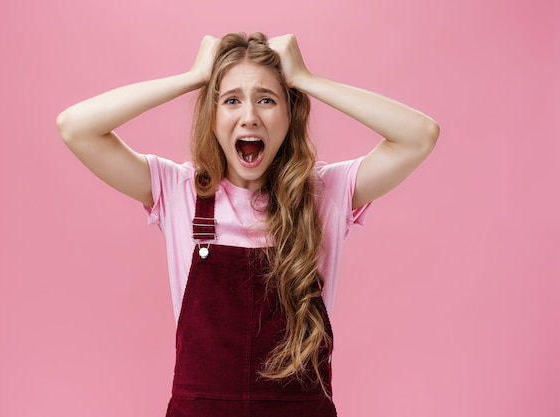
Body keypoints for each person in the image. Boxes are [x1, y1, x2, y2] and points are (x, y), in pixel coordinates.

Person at [56, 32, 439, 417]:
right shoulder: (178, 191)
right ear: (213, 115)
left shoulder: (325, 194)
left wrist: (307, 79)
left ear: (290, 115)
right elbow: (75, 127)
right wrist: (192, 77)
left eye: (267, 100)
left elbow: (419, 136)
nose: (250, 115)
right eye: (232, 100)